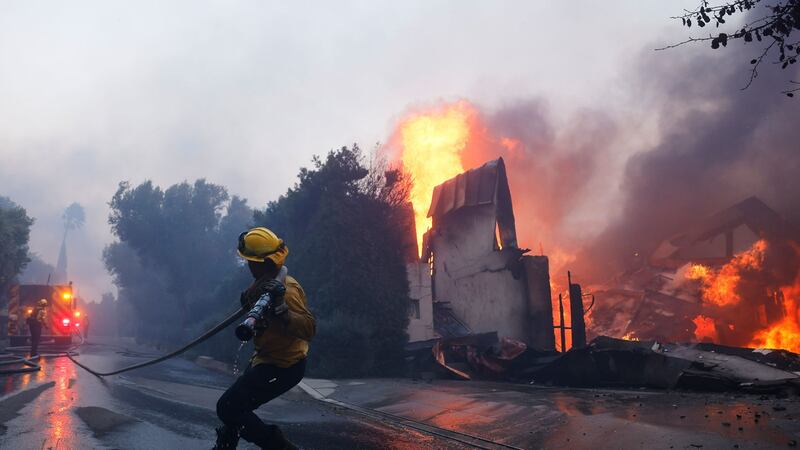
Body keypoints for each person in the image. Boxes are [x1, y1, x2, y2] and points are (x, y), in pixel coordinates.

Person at [214, 227, 315, 450]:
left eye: (251, 262)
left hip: (284, 367)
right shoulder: (264, 281)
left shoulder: (287, 291)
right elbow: (249, 302)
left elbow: (309, 328)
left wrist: (283, 311)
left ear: (263, 263)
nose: (248, 266)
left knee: (229, 407)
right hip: (264, 360)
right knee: (237, 408)